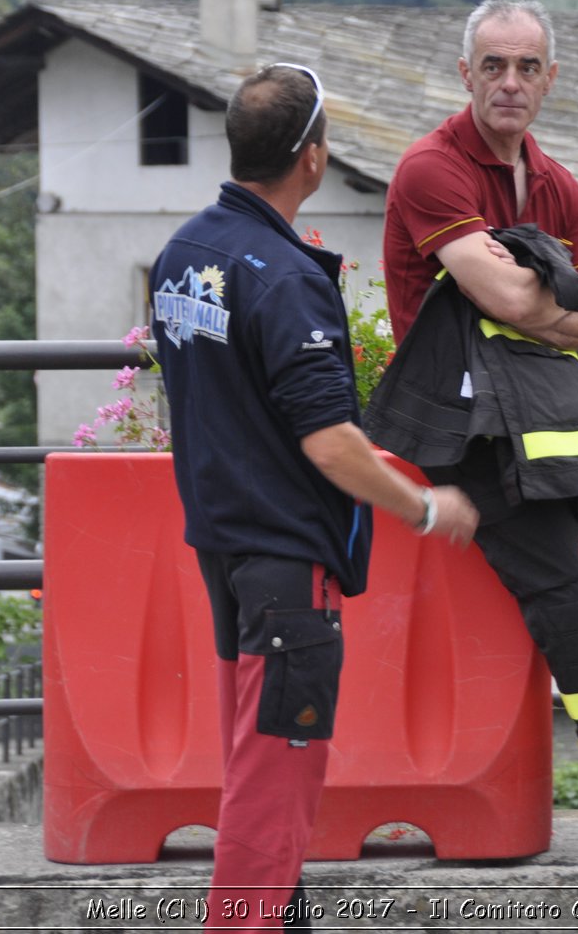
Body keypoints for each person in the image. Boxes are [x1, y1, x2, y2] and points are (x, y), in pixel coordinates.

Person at [149, 62, 478, 930]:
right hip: (287, 569)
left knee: (253, 764)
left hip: (223, 551)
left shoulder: (185, 253)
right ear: (314, 159)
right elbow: (331, 442)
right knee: (275, 787)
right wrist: (426, 507)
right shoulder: (285, 278)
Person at [380, 0, 578, 860]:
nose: (509, 82)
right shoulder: (429, 169)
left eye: (526, 67)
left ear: (550, 78)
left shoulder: (554, 183)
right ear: (465, 74)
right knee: (572, 592)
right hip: (469, 434)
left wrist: (555, 304)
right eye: (492, 65)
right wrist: (561, 303)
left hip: (564, 418)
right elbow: (523, 299)